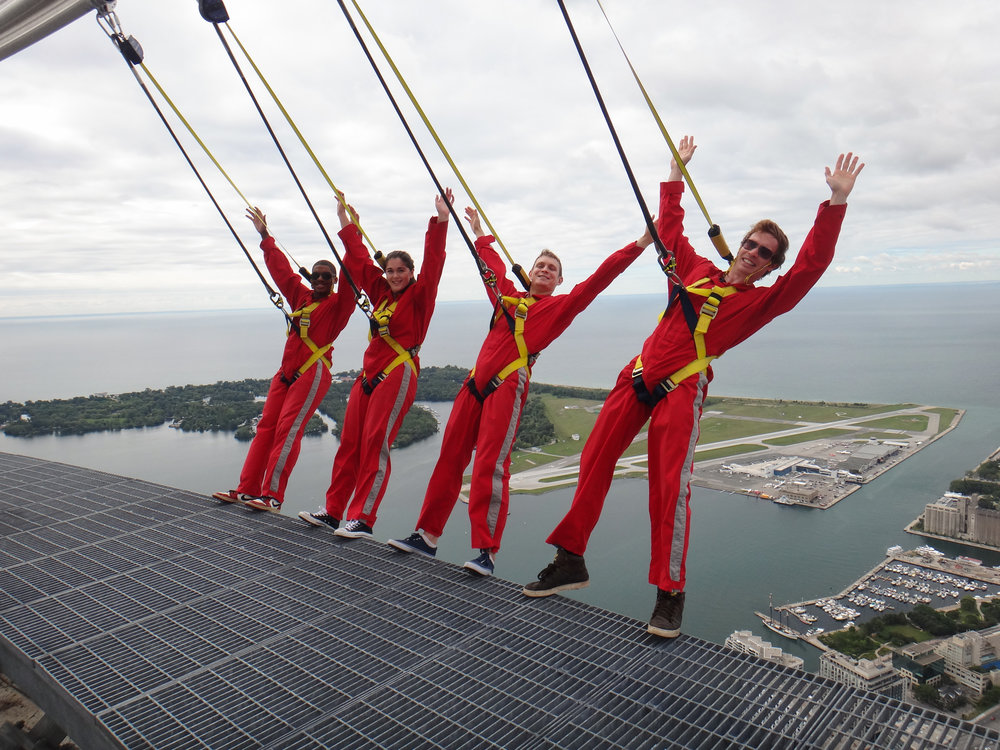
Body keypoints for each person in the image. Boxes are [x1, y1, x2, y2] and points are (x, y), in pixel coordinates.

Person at [521, 136, 864, 638]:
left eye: (764, 254)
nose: (753, 254)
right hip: (636, 376)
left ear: (771, 267)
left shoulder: (760, 303)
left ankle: (670, 594)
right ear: (740, 245)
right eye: (750, 244)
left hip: (681, 391)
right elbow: (670, 226)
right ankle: (570, 558)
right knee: (593, 462)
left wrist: (836, 202)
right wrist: (674, 172)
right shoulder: (694, 269)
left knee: (669, 490)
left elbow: (811, 266)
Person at [387, 207, 655, 575]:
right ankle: (427, 536)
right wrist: (479, 230)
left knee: (490, 465)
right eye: (539, 265)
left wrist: (640, 243)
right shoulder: (506, 296)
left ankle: (486, 551)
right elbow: (490, 263)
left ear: (560, 282)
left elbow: (598, 280)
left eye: (552, 269)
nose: (544, 270)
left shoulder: (560, 308)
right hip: (474, 385)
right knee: (449, 459)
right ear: (529, 273)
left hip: (507, 387)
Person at [298, 190, 453, 538]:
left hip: (398, 372)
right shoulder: (381, 292)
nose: (395, 275)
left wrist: (441, 220)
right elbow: (358, 261)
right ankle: (333, 511)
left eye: (401, 271)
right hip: (368, 375)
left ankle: (363, 517)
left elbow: (435, 261)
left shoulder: (420, 295)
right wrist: (345, 221)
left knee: (375, 444)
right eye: (390, 271)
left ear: (411, 273)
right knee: (350, 444)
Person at [213, 207, 356, 512]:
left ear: (333, 281)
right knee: (266, 427)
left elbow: (352, 276)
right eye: (315, 275)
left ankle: (273, 496)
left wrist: (349, 236)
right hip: (287, 372)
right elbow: (281, 272)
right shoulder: (301, 297)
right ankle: (247, 489)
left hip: (313, 371)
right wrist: (265, 235)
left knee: (287, 430)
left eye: (325, 277)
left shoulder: (338, 305)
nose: (319, 279)